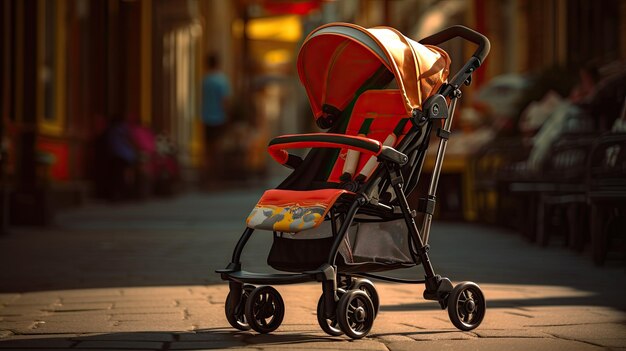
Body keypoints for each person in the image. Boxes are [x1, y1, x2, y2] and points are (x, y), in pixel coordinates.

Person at [201, 53, 231, 185]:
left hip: (206, 117)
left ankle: (208, 178)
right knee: (218, 148)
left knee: (208, 149)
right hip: (219, 117)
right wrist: (228, 115)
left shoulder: (205, 80)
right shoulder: (221, 80)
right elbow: (225, 100)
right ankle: (217, 178)